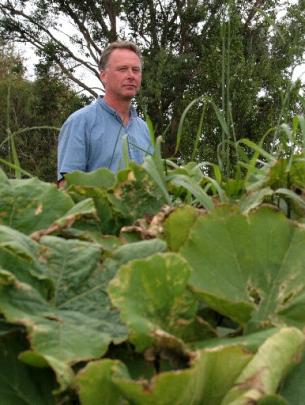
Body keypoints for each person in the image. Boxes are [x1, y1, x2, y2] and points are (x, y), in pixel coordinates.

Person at [57, 41, 153, 182]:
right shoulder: (79, 123)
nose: (131, 75)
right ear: (103, 76)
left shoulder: (144, 129)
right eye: (122, 69)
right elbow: (68, 186)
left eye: (136, 70)